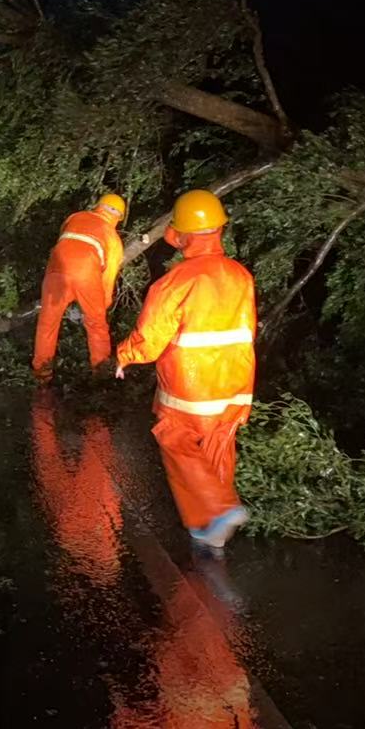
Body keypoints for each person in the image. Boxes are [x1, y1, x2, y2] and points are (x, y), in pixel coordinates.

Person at [115, 189, 257, 548]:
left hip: (191, 386)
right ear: (220, 229)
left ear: (181, 235)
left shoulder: (174, 282)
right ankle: (212, 531)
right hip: (237, 382)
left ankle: (219, 509)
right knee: (218, 445)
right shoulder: (241, 275)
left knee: (175, 439)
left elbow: (150, 339)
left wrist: (124, 355)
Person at [31, 192, 127, 382]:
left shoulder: (75, 217)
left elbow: (64, 243)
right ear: (118, 217)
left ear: (98, 206)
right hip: (86, 275)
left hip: (56, 270)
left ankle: (42, 375)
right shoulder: (113, 239)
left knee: (47, 323)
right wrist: (102, 305)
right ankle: (101, 375)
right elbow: (108, 279)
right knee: (96, 325)